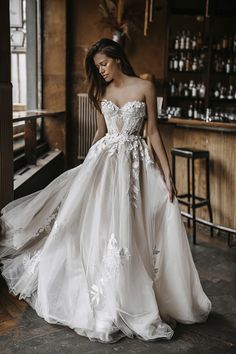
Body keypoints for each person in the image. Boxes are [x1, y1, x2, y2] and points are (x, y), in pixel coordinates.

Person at [0, 38, 211, 343]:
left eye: (103, 64)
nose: (101, 71)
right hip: (104, 163)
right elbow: (101, 132)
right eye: (97, 67)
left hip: (137, 164)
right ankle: (107, 298)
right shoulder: (101, 92)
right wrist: (87, 165)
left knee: (138, 227)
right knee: (101, 228)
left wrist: (167, 174)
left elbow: (152, 132)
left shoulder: (145, 88)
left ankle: (137, 294)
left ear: (117, 58)